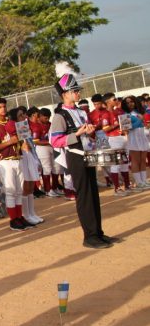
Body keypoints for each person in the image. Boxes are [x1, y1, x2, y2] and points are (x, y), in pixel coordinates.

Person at [49, 65, 118, 249]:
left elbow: (87, 133)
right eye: (75, 90)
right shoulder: (59, 115)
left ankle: (98, 232)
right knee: (85, 196)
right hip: (75, 156)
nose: (78, 93)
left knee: (93, 194)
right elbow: (55, 141)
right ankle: (89, 236)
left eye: (77, 90)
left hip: (88, 155)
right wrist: (78, 134)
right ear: (65, 93)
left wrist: (90, 131)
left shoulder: (81, 112)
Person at [0, 97, 28, 231]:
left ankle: (20, 217)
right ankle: (13, 220)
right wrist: (10, 142)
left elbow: (23, 138)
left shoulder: (12, 122)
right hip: (4, 161)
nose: (3, 109)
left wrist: (24, 137)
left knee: (18, 191)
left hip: (17, 158)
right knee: (10, 192)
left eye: (4, 106)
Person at [10, 107, 43, 225]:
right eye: (20, 115)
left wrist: (36, 159)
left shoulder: (25, 127)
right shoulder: (13, 129)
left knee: (30, 186)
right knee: (25, 186)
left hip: (29, 156)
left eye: (24, 114)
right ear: (15, 119)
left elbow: (31, 145)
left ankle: (32, 213)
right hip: (22, 157)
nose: (24, 117)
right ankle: (26, 215)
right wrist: (21, 144)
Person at [121, 95, 150, 189]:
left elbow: (142, 124)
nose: (130, 104)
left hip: (141, 136)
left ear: (135, 102)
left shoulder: (139, 112)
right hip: (133, 138)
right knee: (135, 161)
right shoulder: (125, 114)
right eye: (127, 103)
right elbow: (126, 129)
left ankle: (144, 181)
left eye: (131, 102)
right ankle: (138, 182)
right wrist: (139, 121)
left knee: (142, 160)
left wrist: (143, 123)